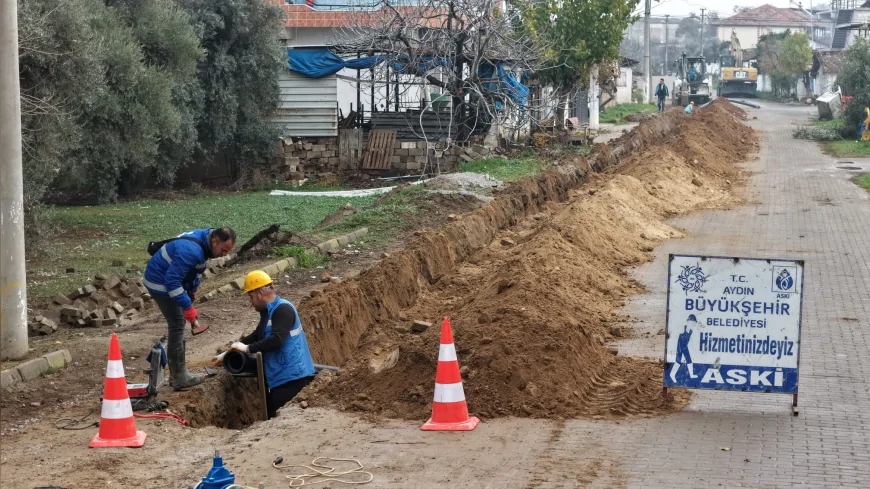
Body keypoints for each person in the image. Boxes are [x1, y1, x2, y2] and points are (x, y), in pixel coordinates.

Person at [145, 227, 236, 389]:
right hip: (158, 281)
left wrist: (192, 288)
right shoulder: (191, 251)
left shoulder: (204, 239)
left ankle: (178, 374)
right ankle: (179, 378)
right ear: (215, 241)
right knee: (177, 323)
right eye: (223, 250)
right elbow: (172, 282)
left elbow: (195, 269)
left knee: (178, 322)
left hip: (169, 277)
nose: (224, 254)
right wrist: (187, 307)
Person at [218, 270, 316, 419]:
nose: (251, 302)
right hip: (278, 378)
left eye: (251, 297)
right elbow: (257, 335)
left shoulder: (283, 310)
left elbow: (277, 340)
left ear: (260, 294)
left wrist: (247, 349)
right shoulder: (268, 312)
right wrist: (230, 351)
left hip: (292, 379)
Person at [669, 315, 699, 384]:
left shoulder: (691, 331)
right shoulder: (683, 328)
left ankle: (691, 374)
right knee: (679, 360)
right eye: (691, 322)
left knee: (687, 359)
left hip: (685, 346)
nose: (693, 323)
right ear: (688, 322)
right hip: (680, 345)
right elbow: (677, 335)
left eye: (694, 322)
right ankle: (672, 374)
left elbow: (689, 341)